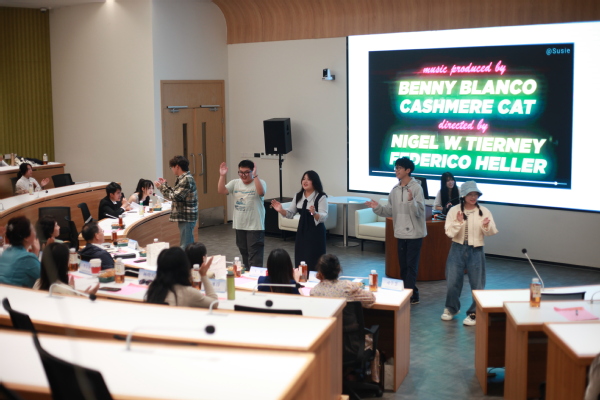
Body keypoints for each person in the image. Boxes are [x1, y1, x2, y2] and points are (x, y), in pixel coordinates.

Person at [364, 156, 426, 305]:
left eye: (399, 168)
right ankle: (412, 293)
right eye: (395, 168)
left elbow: (419, 212)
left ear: (408, 170)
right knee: (403, 266)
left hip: (414, 234)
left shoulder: (417, 188)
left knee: (411, 266)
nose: (396, 170)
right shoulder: (395, 190)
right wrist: (377, 207)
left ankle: (408, 295)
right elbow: (389, 211)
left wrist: (411, 201)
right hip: (400, 232)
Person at [441, 181, 498, 326]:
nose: (473, 197)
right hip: (457, 248)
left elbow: (491, 232)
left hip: (476, 250)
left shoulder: (484, 211)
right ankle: (451, 308)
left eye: (475, 194)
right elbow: (449, 232)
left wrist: (486, 225)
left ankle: (474, 313)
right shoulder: (454, 210)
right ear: (463, 195)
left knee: (477, 283)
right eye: (470, 194)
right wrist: (458, 222)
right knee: (453, 281)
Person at [271, 170, 328, 271]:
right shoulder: (298, 195)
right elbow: (290, 213)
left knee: (314, 258)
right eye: (303, 179)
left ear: (314, 181)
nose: (305, 181)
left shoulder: (321, 197)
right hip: (302, 231)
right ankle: (301, 277)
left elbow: (324, 216)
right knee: (301, 257)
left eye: (308, 179)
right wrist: (281, 210)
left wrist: (314, 213)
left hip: (316, 232)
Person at [218, 159, 267, 268]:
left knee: (254, 254)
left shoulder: (260, 182)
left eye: (246, 172)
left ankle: (255, 275)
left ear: (252, 171)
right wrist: (222, 176)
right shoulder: (235, 183)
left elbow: (261, 192)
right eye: (241, 172)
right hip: (240, 225)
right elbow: (221, 190)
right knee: (244, 253)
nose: (243, 175)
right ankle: (248, 274)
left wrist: (255, 176)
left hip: (255, 226)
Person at [145, 247, 218, 308]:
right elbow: (214, 302)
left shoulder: (153, 288)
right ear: (184, 268)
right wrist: (203, 275)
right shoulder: (188, 292)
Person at [155, 156, 198, 248]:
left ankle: (187, 258)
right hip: (185, 215)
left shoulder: (186, 179)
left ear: (177, 166)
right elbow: (175, 192)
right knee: (187, 243)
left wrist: (161, 187)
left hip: (187, 216)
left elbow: (175, 196)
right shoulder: (182, 178)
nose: (172, 169)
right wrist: (164, 185)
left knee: (186, 245)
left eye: (172, 167)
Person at [310, 254, 375, 307]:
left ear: (320, 273)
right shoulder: (348, 286)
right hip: (345, 320)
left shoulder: (314, 292)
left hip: (329, 319)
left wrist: (322, 281)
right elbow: (371, 298)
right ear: (339, 271)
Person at [34, 242, 99, 295]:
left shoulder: (37, 284)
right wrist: (86, 296)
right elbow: (76, 304)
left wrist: (71, 288)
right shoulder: (65, 290)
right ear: (63, 263)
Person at [0, 216, 40, 287]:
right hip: (14, 293)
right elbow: (47, 279)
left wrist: (35, 253)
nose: (35, 232)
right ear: (26, 237)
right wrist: (36, 251)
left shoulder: (6, 252)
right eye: (33, 229)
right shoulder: (27, 258)